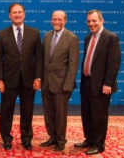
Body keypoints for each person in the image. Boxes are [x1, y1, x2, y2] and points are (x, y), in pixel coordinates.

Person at [0, 3, 43, 150]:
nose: (17, 15)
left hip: (29, 80)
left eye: (19, 12)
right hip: (8, 80)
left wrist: (38, 77)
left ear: (24, 14)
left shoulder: (34, 33)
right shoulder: (2, 34)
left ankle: (27, 138)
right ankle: (6, 138)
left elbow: (39, 58)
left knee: (27, 111)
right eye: (14, 12)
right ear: (9, 15)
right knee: (6, 111)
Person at [74, 9, 121, 155]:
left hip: (102, 85)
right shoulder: (88, 37)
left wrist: (108, 83)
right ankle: (89, 139)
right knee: (86, 113)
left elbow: (114, 63)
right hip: (87, 82)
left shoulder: (111, 37)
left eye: (94, 21)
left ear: (102, 20)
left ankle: (98, 144)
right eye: (89, 21)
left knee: (99, 115)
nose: (91, 24)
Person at [40, 10, 79, 151]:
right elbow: (44, 61)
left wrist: (68, 85)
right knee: (48, 113)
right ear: (51, 20)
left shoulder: (72, 38)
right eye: (54, 19)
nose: (57, 22)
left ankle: (61, 141)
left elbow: (73, 64)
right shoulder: (47, 36)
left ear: (65, 21)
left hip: (62, 84)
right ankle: (52, 137)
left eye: (60, 19)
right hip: (46, 83)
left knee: (60, 115)